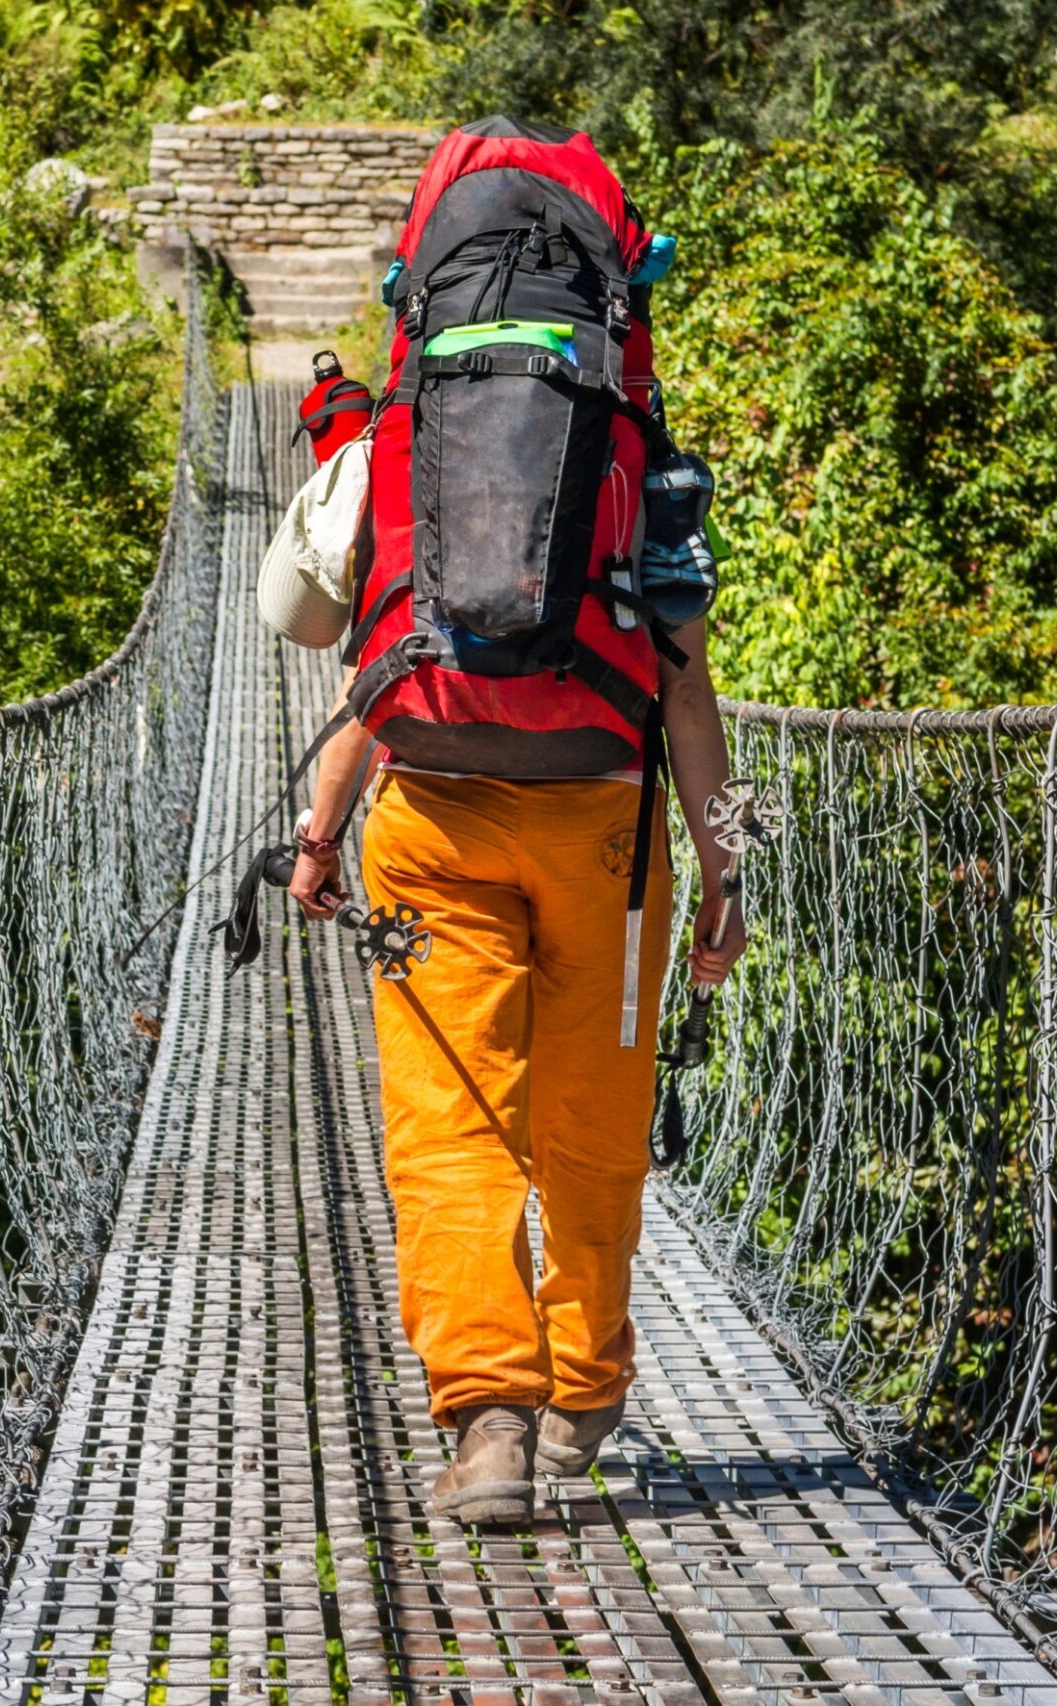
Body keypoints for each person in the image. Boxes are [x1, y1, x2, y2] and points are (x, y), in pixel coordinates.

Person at [280, 117, 746, 1528]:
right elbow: (689, 692)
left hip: (429, 809)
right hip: (604, 834)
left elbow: (376, 649)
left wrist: (315, 836)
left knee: (449, 1114)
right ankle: (583, 1391)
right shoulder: (633, 451)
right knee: (594, 1116)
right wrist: (729, 868)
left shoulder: (405, 431)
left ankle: (485, 1423)